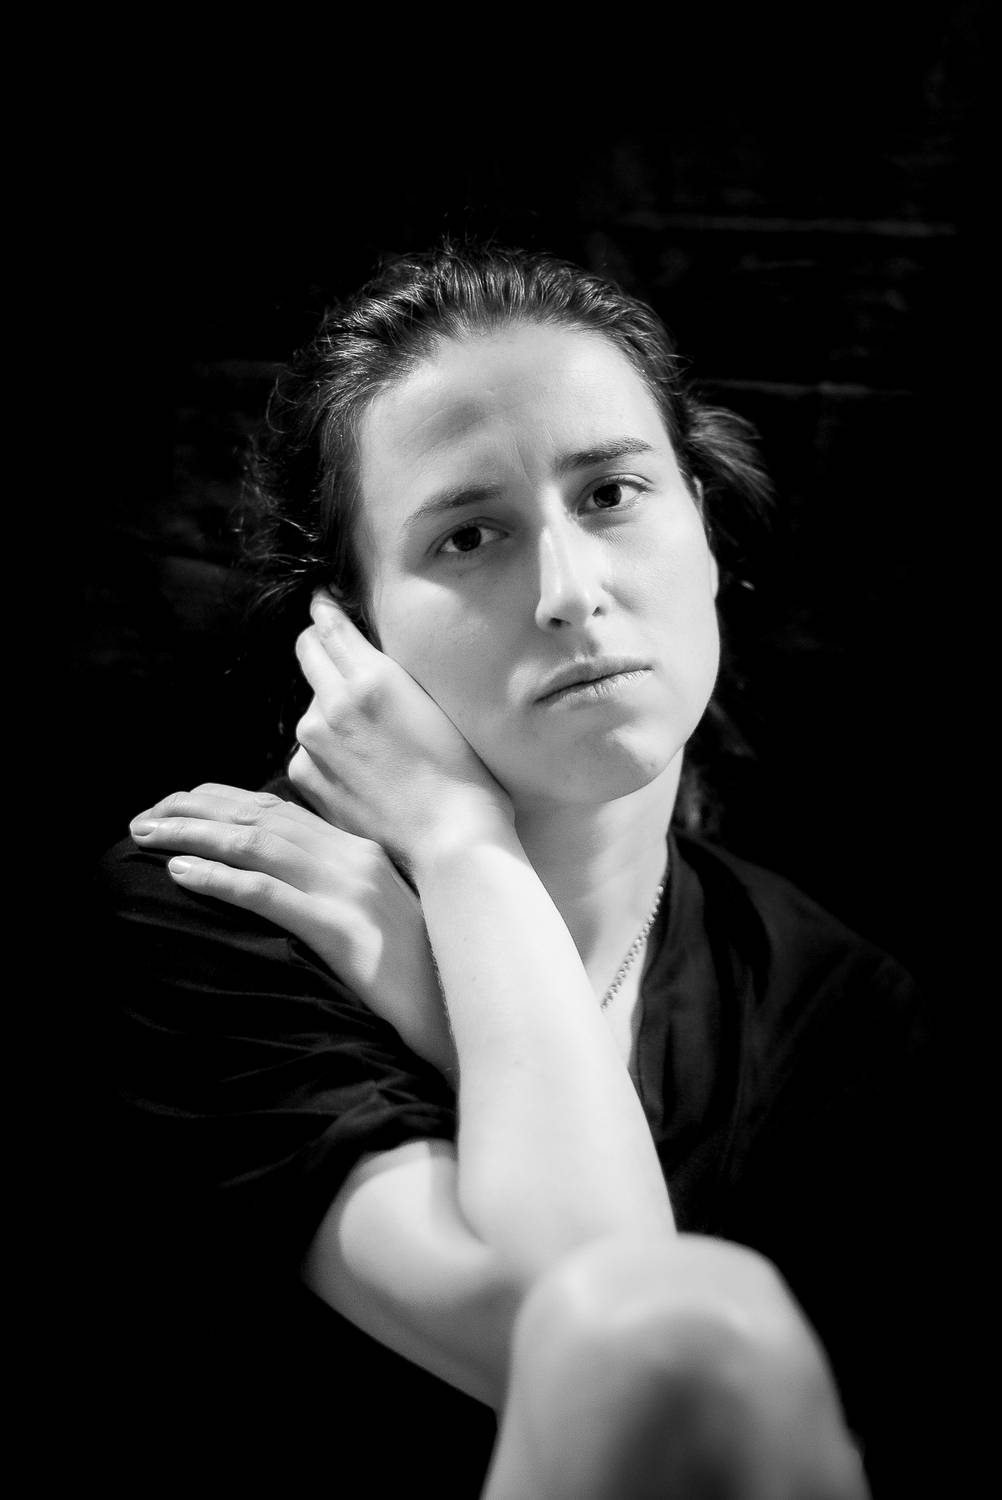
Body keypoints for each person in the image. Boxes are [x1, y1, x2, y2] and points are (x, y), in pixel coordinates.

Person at [104, 244, 931, 1498]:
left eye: (611, 494)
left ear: (706, 528)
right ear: (352, 630)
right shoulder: (212, 910)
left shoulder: (838, 1006)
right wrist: (463, 847)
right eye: (469, 535)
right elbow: (627, 1363)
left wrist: (435, 978)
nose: (569, 591)